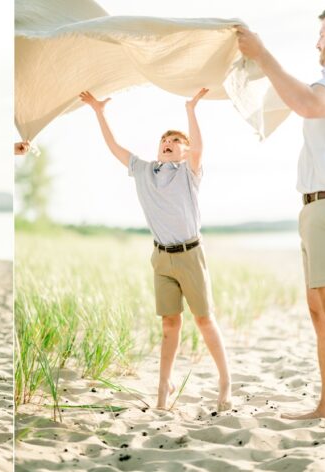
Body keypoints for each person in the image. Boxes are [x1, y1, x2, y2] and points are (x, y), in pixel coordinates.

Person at [79, 88, 233, 411]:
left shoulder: (188, 173)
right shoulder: (144, 171)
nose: (168, 142)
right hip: (161, 258)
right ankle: (164, 386)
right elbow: (115, 147)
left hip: (191, 255)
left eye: (176, 140)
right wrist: (98, 111)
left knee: (204, 320)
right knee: (169, 325)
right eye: (164, 139)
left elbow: (199, 147)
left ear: (184, 152)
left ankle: (225, 380)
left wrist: (190, 109)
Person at [237, 10, 325, 420]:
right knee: (319, 310)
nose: (317, 42)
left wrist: (262, 54)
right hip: (314, 207)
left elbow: (308, 103)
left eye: (324, 34)